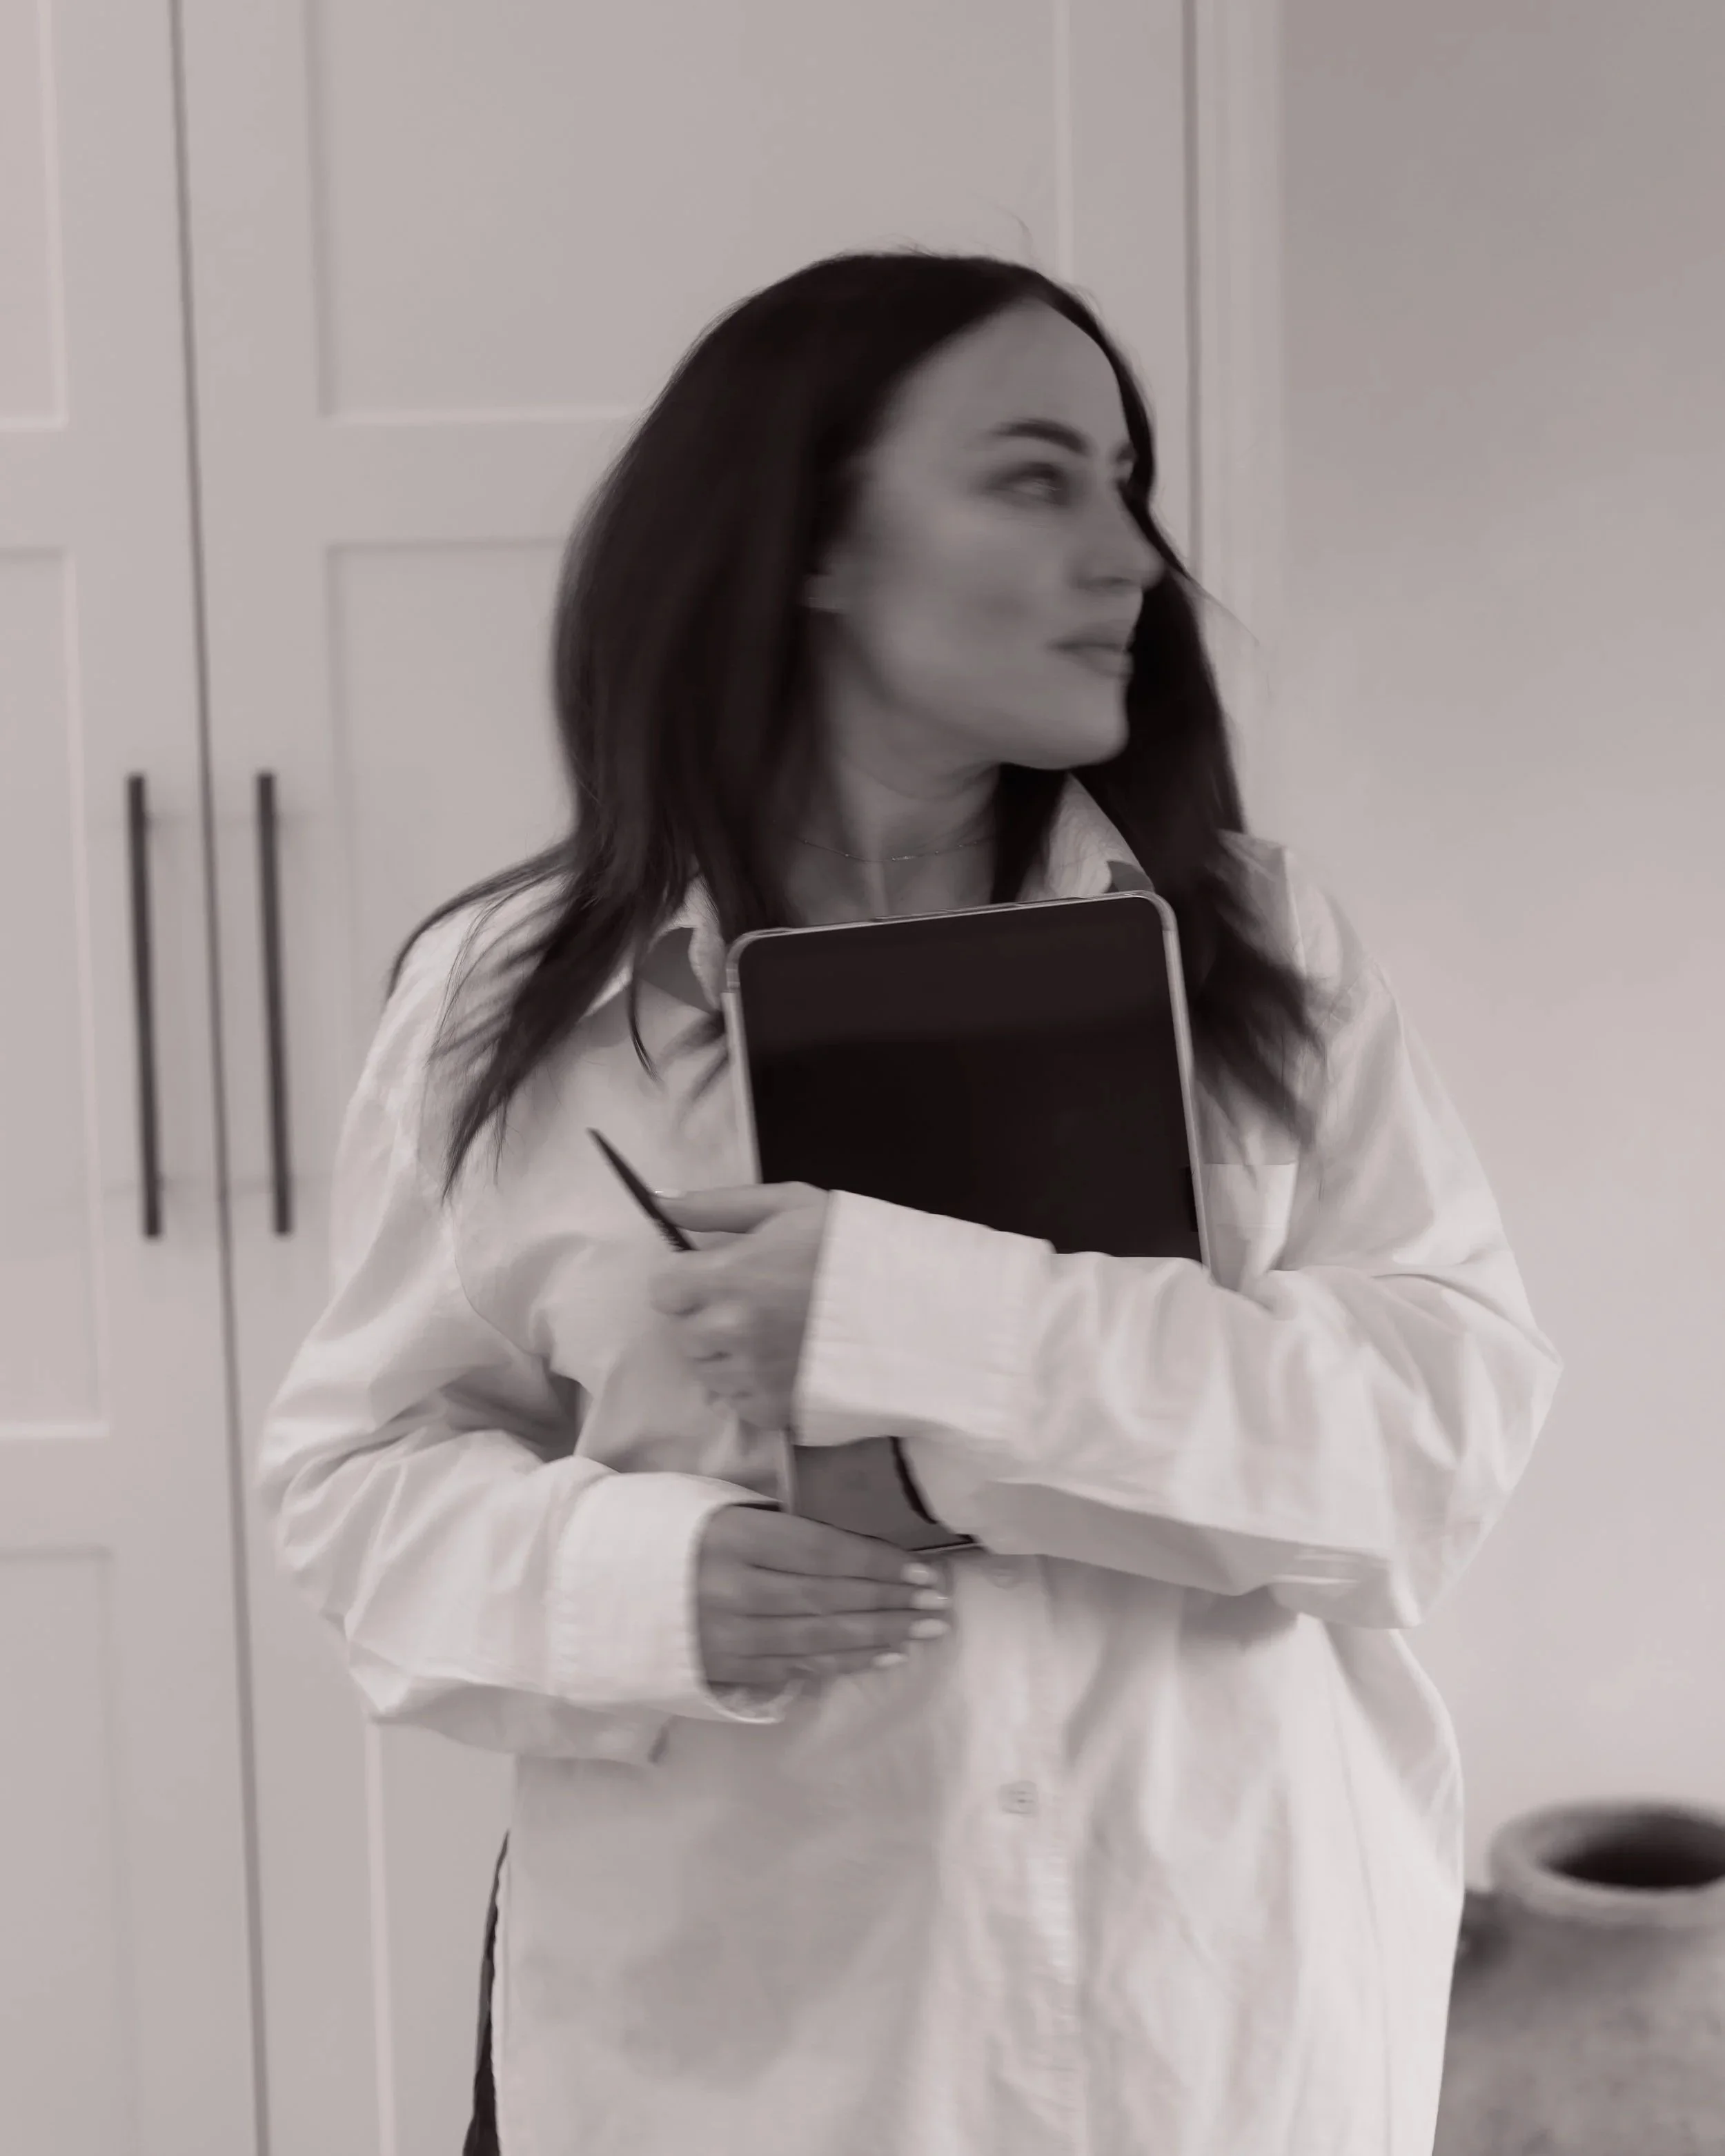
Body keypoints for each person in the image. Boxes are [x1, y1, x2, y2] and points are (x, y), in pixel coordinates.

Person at [257, 249, 1562, 2156]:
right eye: (1034, 477)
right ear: (809, 541)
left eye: (1124, 482)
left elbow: (1434, 1437)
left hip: (1204, 2026)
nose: (1128, 553)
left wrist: (913, 1326)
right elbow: (355, 1491)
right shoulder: (501, 1008)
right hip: (750, 2055)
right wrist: (646, 1584)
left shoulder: (1258, 956)